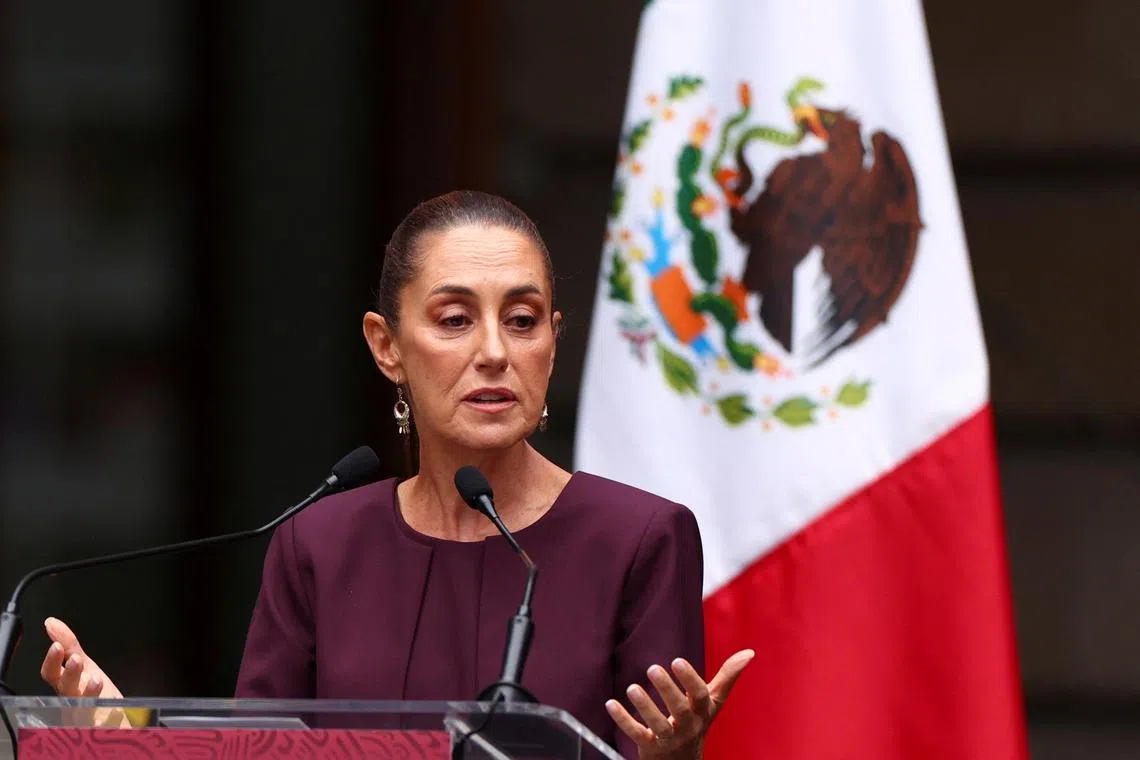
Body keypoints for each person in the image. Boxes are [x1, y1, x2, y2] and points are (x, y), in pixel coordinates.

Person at [40, 190, 754, 759]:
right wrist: (123, 739)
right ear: (387, 346)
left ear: (553, 343)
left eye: (524, 319)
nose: (495, 352)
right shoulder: (319, 546)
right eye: (453, 320)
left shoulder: (639, 539)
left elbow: (644, 748)